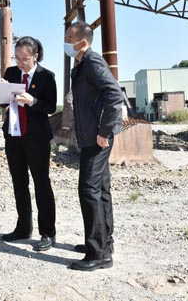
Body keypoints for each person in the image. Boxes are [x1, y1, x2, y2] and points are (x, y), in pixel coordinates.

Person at [64, 21, 123, 271]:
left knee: (88, 190)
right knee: (100, 189)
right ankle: (103, 243)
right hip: (90, 135)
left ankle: (98, 253)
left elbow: (114, 94)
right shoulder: (81, 64)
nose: (66, 42)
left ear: (83, 42)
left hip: (97, 137)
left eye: (70, 38)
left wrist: (104, 130)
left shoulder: (92, 62)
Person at [0, 36, 57, 252]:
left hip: (36, 138)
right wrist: (3, 91)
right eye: (17, 58)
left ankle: (48, 232)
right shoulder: (11, 73)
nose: (20, 63)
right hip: (14, 136)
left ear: (36, 56)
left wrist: (31, 101)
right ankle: (23, 227)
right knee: (19, 182)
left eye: (25, 59)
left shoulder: (46, 77)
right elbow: (3, 103)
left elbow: (50, 106)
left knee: (41, 183)